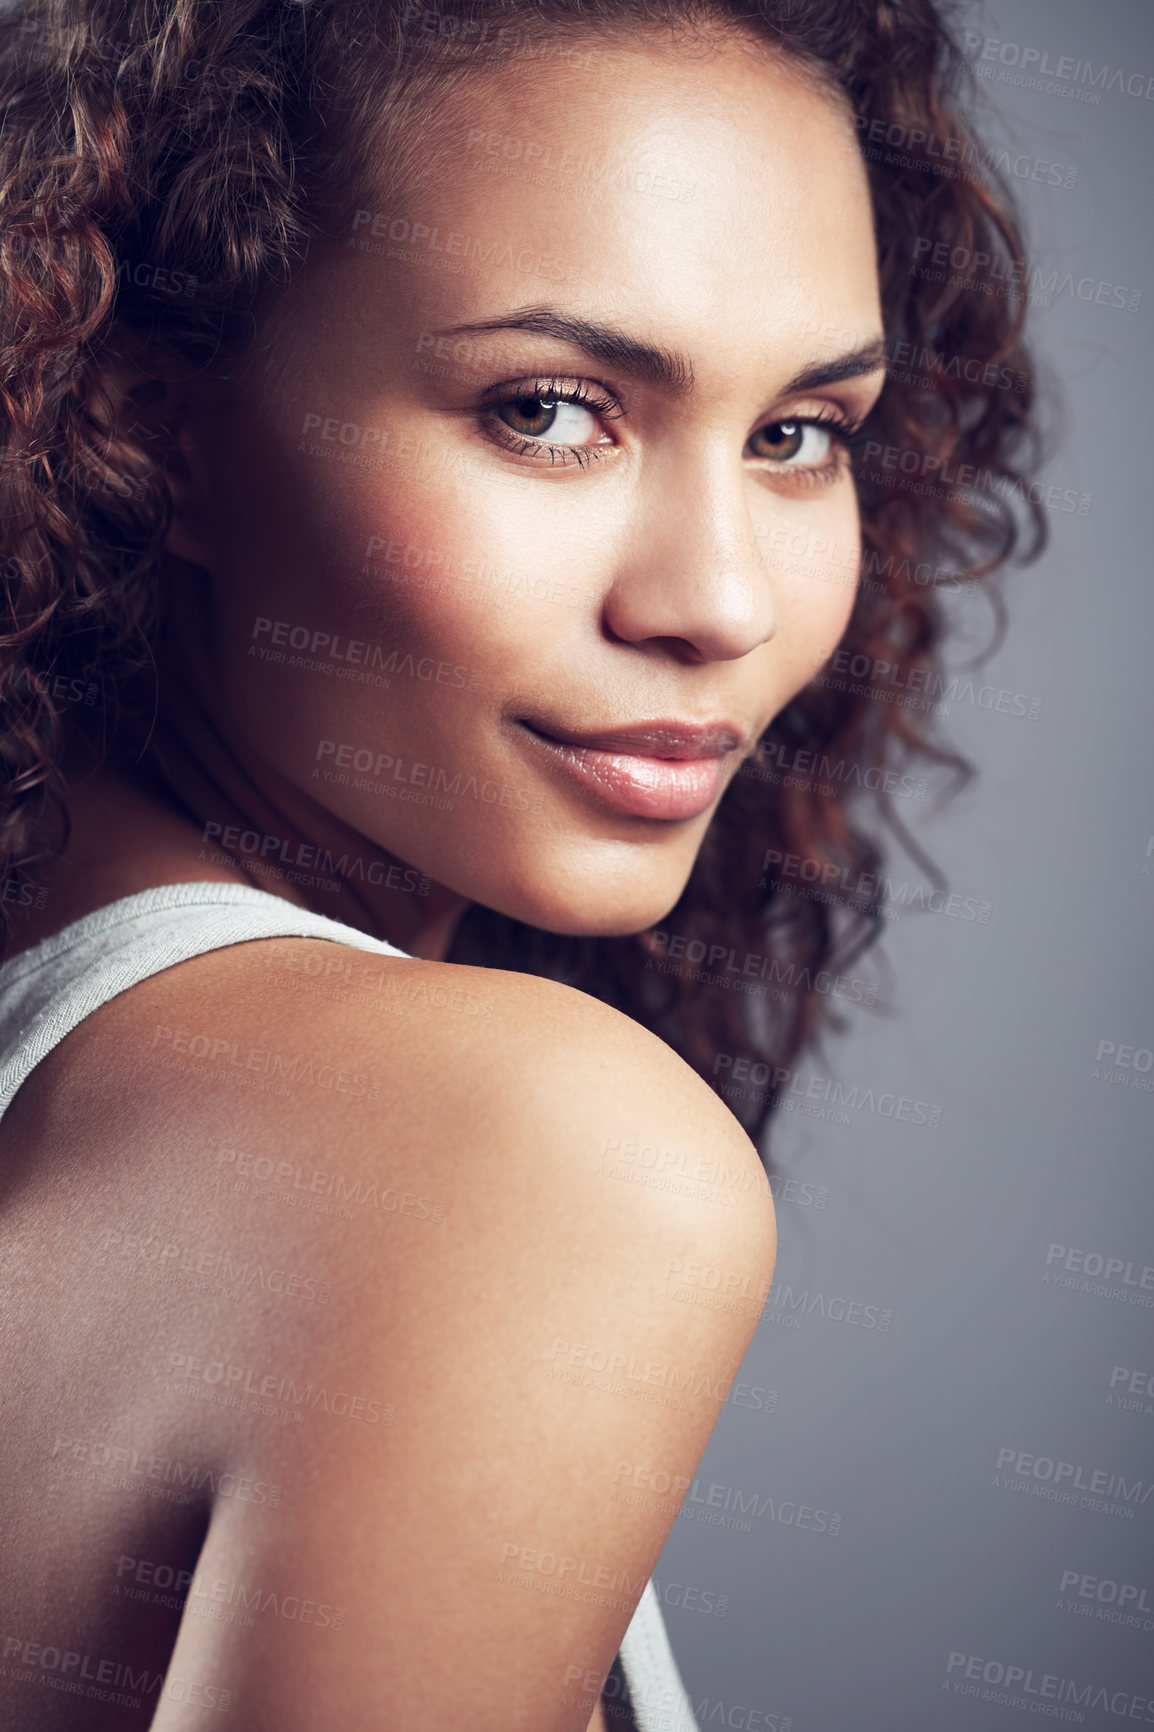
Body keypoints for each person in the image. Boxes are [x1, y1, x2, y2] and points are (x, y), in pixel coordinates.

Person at [0, 0, 1041, 1726]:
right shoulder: (527, 1155)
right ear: (156, 425)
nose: (715, 601)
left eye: (798, 433)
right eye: (549, 410)